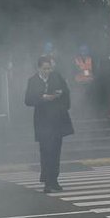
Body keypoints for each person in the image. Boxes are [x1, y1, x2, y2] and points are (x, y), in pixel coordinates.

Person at [25, 55, 74, 193]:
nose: (47, 71)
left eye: (49, 68)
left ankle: (54, 179)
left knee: (56, 151)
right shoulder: (33, 81)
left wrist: (61, 100)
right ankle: (47, 181)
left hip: (57, 119)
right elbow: (28, 100)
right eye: (45, 68)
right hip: (42, 121)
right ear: (39, 68)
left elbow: (66, 92)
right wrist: (43, 97)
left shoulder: (56, 77)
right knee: (46, 151)